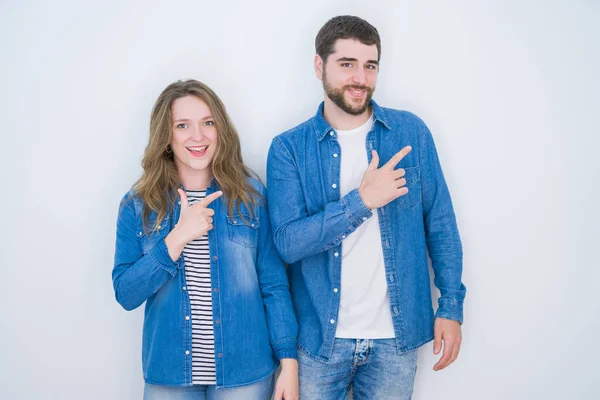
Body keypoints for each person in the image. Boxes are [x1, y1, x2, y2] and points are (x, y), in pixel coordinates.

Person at [266, 16, 466, 399]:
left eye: (369, 66)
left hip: (395, 340)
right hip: (319, 342)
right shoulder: (289, 148)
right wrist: (362, 201)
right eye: (347, 64)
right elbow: (289, 243)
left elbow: (440, 224)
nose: (360, 78)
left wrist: (451, 306)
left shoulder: (411, 133)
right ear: (318, 66)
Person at [112, 79, 298, 400]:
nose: (197, 136)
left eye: (207, 123)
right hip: (169, 375)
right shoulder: (138, 205)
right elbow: (126, 293)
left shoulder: (251, 198)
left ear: (220, 130)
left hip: (245, 373)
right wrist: (177, 238)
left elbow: (273, 285)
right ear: (166, 136)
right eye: (182, 125)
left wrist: (289, 361)